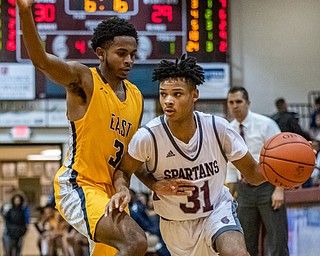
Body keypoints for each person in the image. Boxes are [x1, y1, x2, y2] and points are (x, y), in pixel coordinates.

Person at [16, 1, 147, 255]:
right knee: (135, 242)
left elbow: (129, 161)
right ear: (100, 53)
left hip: (112, 194)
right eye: (121, 53)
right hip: (79, 185)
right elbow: (41, 61)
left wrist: (143, 186)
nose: (129, 60)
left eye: (133, 54)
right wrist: (24, 11)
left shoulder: (136, 97)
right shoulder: (84, 80)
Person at [106, 55, 267, 256]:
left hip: (216, 212)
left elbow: (253, 173)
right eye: (163, 94)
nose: (168, 101)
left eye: (177, 94)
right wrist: (128, 189)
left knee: (236, 253)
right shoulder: (148, 136)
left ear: (194, 94)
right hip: (176, 225)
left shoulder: (218, 128)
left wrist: (285, 170)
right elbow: (124, 170)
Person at [226, 87, 289, 256]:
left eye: (238, 101)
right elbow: (231, 166)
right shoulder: (228, 129)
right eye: (231, 102)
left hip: (268, 187)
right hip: (243, 190)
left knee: (277, 241)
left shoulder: (266, 124)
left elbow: (282, 157)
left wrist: (279, 189)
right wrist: (230, 195)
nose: (235, 106)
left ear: (248, 103)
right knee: (245, 243)